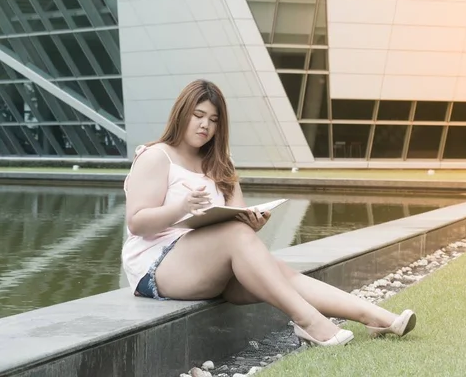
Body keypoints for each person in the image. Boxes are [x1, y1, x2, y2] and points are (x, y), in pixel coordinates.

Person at [121, 79, 416, 347]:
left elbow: (234, 220)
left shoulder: (221, 163)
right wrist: (182, 207)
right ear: (181, 113)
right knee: (247, 245)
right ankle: (310, 323)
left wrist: (252, 222)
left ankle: (375, 317)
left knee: (279, 272)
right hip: (157, 268)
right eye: (198, 116)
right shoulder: (156, 156)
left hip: (207, 266)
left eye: (213, 120)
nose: (205, 126)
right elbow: (137, 223)